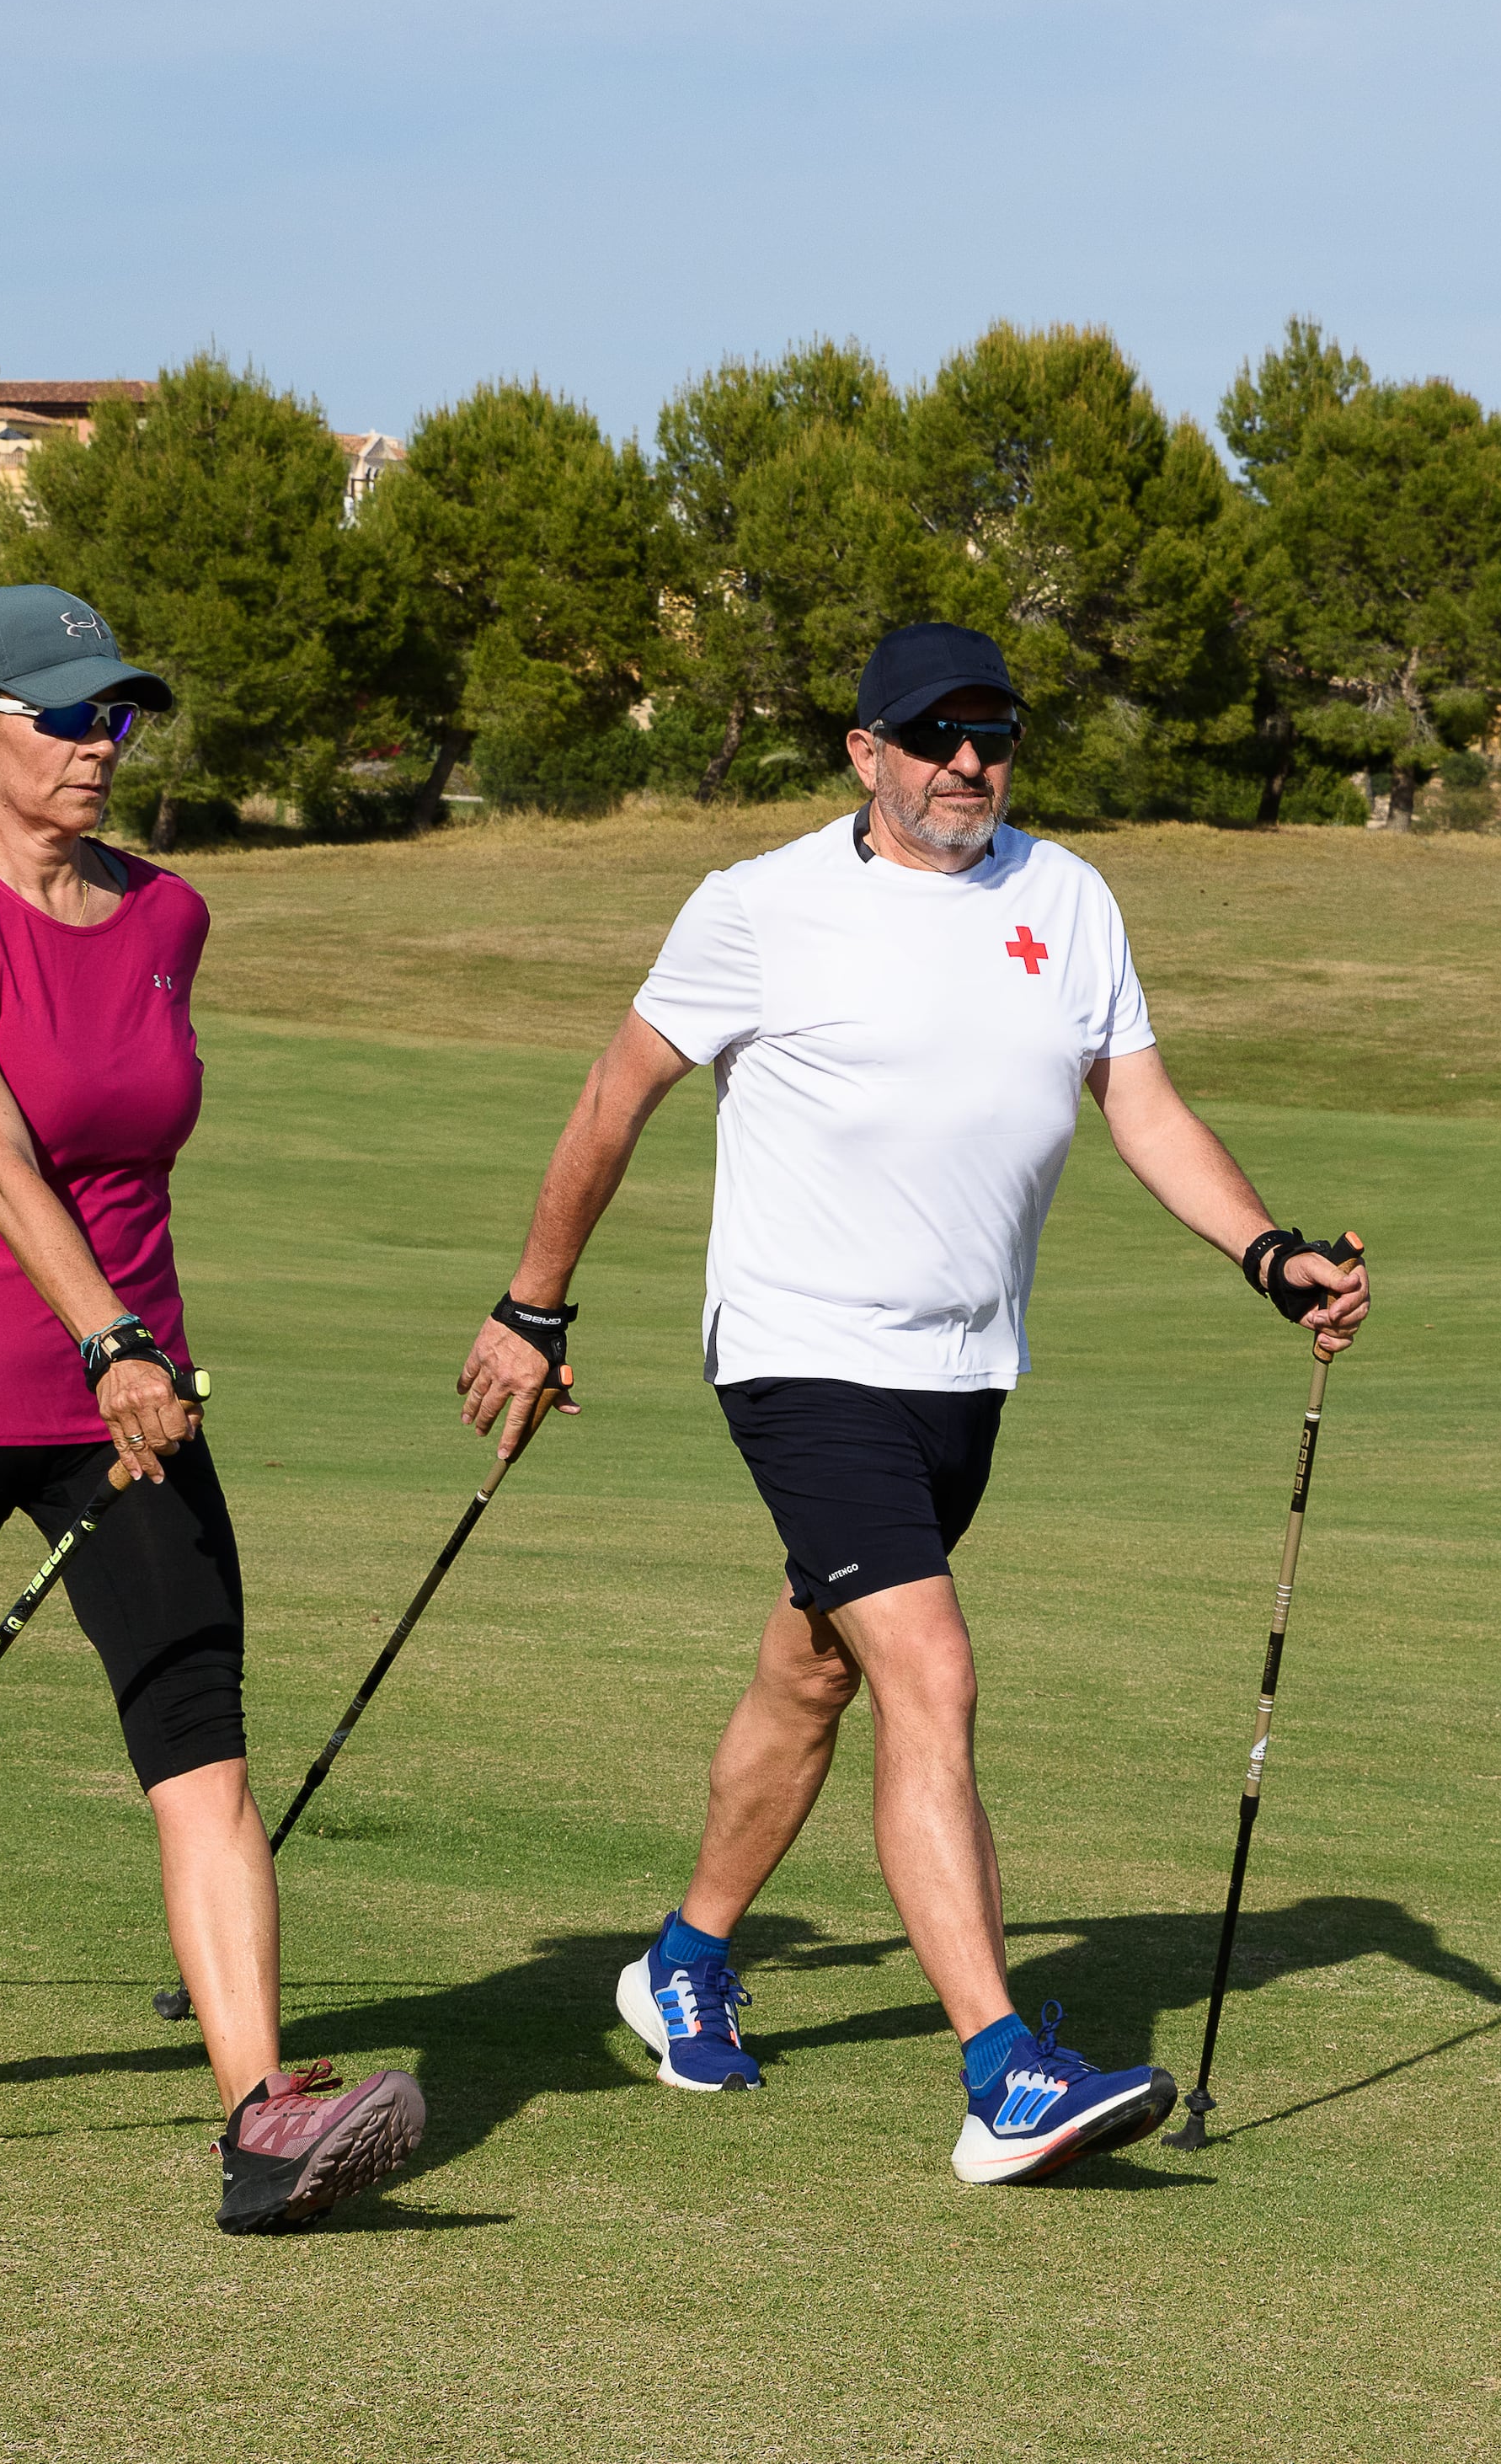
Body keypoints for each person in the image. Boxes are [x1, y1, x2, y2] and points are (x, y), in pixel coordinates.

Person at [453, 622, 1370, 2185]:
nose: (968, 764)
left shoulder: (1066, 896)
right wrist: (533, 1304)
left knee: (818, 1669)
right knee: (929, 1670)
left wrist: (1264, 1248)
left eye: (992, 735)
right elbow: (618, 1094)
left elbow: (1135, 1098)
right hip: (802, 1354)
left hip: (964, 1371)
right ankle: (1001, 2070)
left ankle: (683, 1954)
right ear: (864, 750)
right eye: (934, 736)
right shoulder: (759, 907)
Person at [0, 582, 425, 2234]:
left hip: (134, 1407)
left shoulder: (170, 916)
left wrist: (135, 1358)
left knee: (198, 1741)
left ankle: (262, 2112)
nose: (98, 744)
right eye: (63, 715)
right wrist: (108, 1333)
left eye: (116, 713)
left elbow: (128, 1144)